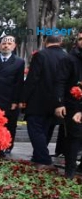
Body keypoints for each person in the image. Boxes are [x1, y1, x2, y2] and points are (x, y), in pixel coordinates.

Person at [22, 34, 67, 169]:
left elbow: (32, 79)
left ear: (44, 41)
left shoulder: (40, 55)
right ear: (61, 41)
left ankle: (44, 159)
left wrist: (23, 98)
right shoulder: (66, 56)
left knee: (35, 129)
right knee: (46, 130)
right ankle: (38, 156)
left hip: (38, 100)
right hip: (58, 102)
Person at [55, 31, 82, 178]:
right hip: (73, 104)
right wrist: (60, 103)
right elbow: (60, 82)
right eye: (80, 39)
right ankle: (70, 171)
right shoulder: (69, 59)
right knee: (74, 138)